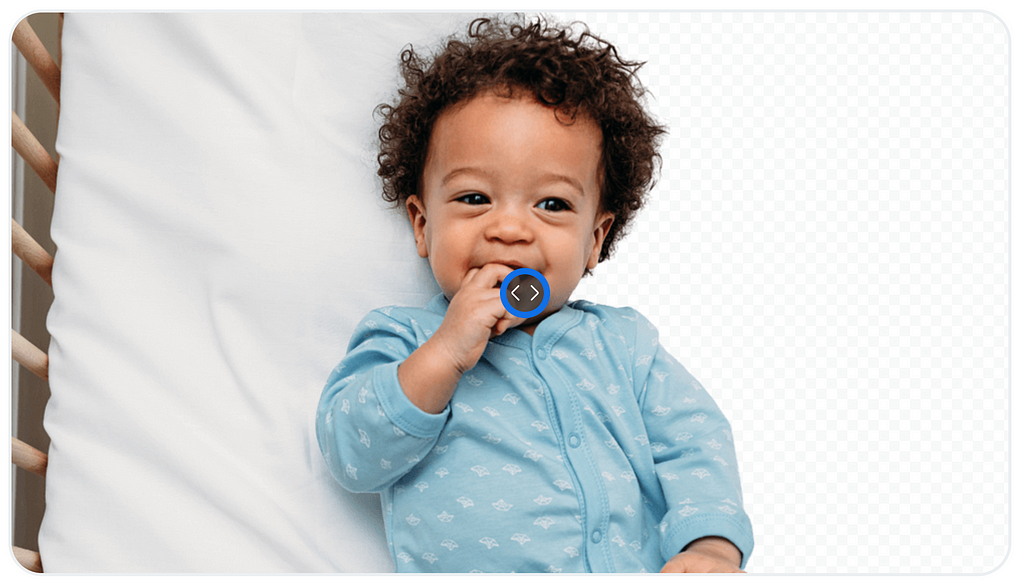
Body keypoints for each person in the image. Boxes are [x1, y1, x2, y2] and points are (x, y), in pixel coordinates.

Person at [316, 15, 753, 573]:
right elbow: (354, 455)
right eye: (474, 198)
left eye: (551, 204)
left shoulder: (625, 346)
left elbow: (695, 442)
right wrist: (446, 353)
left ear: (595, 240)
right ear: (422, 225)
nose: (510, 229)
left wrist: (711, 543)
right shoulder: (404, 338)